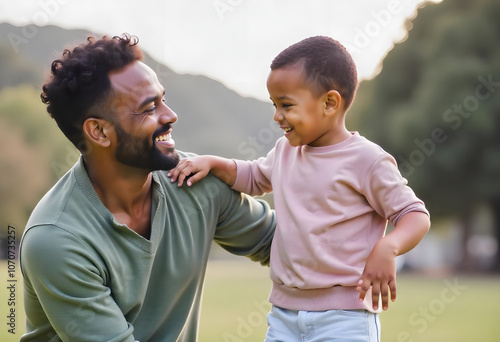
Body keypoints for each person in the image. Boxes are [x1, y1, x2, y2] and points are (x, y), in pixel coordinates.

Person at [169, 36, 431, 341]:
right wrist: (215, 163)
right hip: (284, 314)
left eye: (286, 105)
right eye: (274, 105)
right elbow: (253, 177)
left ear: (329, 103)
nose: (277, 116)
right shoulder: (285, 151)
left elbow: (414, 215)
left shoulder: (367, 160)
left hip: (345, 318)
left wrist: (388, 247)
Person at [20, 34, 276, 342]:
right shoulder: (57, 239)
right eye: (148, 107)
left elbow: (283, 245)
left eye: (163, 99)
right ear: (99, 131)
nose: (170, 115)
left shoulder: (195, 181)